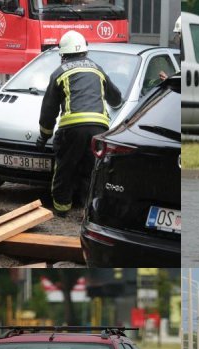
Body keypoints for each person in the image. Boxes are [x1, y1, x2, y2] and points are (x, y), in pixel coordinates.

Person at [37, 31, 121, 216]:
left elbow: (49, 110)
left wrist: (44, 135)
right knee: (93, 169)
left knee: (65, 167)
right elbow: (116, 98)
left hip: (72, 128)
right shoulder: (97, 69)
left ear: (63, 55)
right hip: (99, 127)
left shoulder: (59, 73)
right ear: (85, 51)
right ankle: (89, 210)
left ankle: (61, 210)